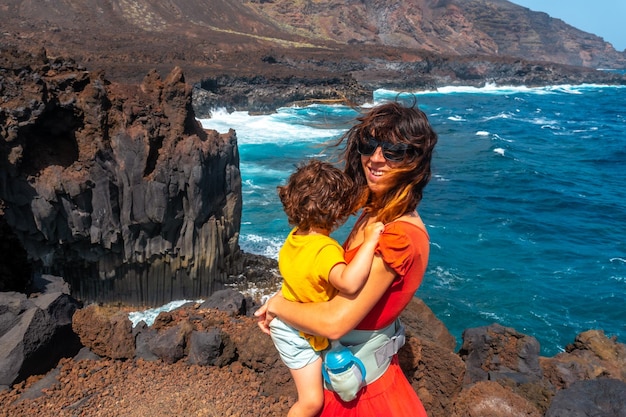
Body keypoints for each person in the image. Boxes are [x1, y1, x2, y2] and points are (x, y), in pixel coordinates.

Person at [256, 100, 438, 416]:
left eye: (393, 151)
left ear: (415, 161)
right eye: (370, 145)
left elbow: (336, 323)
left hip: (368, 399)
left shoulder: (399, 236)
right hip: (346, 382)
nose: (376, 159)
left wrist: (277, 304)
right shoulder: (374, 212)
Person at [271, 159, 385, 417]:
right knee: (311, 402)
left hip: (289, 323)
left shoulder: (297, 237)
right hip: (296, 335)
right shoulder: (325, 249)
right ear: (335, 212)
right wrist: (369, 243)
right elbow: (349, 282)